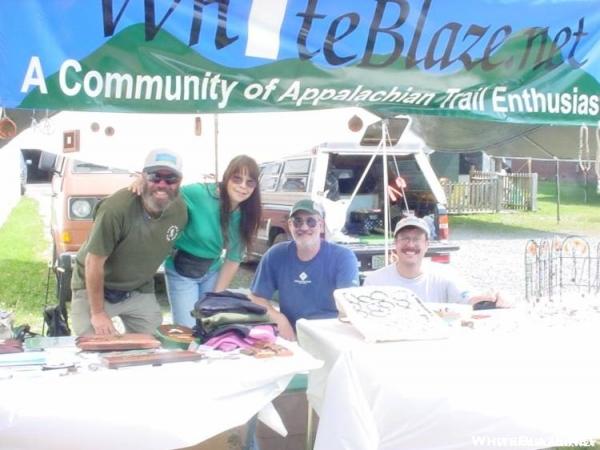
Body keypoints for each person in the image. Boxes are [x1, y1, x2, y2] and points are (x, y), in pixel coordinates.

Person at [71, 149, 188, 336]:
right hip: (96, 286)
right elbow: (93, 262)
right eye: (155, 177)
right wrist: (98, 313)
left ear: (180, 182)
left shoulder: (181, 210)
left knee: (156, 345)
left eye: (171, 179)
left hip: (138, 288)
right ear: (143, 177)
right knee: (93, 348)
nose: (162, 184)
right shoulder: (115, 209)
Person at [162, 155, 261, 327]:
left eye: (250, 182)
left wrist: (216, 298)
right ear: (227, 177)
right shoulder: (200, 194)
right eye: (237, 179)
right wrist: (140, 184)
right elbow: (165, 192)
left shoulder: (247, 214)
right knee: (187, 330)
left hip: (212, 271)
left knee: (210, 326)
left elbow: (233, 258)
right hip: (182, 271)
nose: (243, 187)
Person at [250, 199, 360, 340]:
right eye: (297, 221)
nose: (304, 227)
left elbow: (350, 305)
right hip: (291, 334)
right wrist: (280, 319)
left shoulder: (343, 257)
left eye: (311, 221)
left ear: (321, 225)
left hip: (331, 335)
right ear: (290, 225)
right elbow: (256, 297)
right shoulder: (275, 254)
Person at [364, 216, 510, 307]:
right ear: (395, 244)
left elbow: (469, 299)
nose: (410, 244)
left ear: (427, 245)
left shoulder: (444, 275)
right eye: (405, 238)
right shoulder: (375, 281)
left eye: (416, 239)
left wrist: (495, 297)